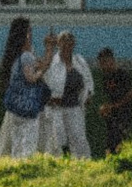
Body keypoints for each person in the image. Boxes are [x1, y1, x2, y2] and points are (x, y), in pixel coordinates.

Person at [0, 16, 47, 159]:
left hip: (15, 105)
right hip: (27, 104)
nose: (31, 34)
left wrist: (47, 53)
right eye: (29, 31)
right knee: (28, 142)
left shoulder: (13, 56)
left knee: (16, 143)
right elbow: (31, 78)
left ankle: (16, 166)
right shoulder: (26, 56)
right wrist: (41, 72)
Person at [37, 29, 92, 159]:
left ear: (73, 44)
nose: (67, 46)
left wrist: (89, 94)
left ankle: (83, 163)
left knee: (78, 137)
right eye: (64, 43)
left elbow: (88, 80)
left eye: (70, 43)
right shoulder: (52, 63)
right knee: (56, 140)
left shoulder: (79, 61)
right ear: (58, 45)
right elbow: (43, 80)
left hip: (74, 106)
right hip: (56, 107)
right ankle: (54, 163)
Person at [95, 46, 132, 157]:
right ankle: (111, 160)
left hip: (125, 114)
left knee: (122, 140)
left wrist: (114, 106)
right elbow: (109, 97)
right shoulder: (106, 77)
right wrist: (105, 108)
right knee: (110, 140)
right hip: (112, 116)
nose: (102, 66)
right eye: (100, 63)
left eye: (104, 62)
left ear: (112, 61)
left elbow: (131, 94)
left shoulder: (123, 75)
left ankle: (124, 161)